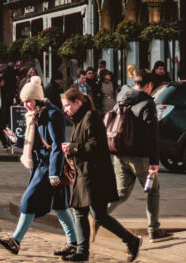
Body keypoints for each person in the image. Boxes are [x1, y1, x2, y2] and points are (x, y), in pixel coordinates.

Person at [0, 76, 76, 256]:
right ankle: (74, 243)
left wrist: (54, 172)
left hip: (49, 167)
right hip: (42, 165)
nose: (25, 105)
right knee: (61, 207)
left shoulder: (53, 114)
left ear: (38, 99)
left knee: (28, 200)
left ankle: (15, 241)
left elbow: (57, 144)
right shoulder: (36, 114)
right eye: (23, 101)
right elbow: (38, 143)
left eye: (28, 101)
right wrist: (17, 141)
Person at [61, 86, 142, 262]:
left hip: (94, 175)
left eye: (67, 105)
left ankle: (131, 241)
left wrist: (73, 148)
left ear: (77, 102)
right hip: (84, 173)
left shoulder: (90, 117)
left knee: (98, 215)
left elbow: (95, 146)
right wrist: (71, 148)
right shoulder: (79, 118)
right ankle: (83, 252)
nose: (65, 109)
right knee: (80, 211)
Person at [108, 69, 168, 243]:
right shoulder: (147, 103)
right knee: (153, 190)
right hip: (140, 157)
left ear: (135, 82)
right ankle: (154, 230)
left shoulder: (121, 98)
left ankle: (97, 216)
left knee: (121, 193)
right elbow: (152, 136)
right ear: (149, 85)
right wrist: (154, 162)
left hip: (118, 154)